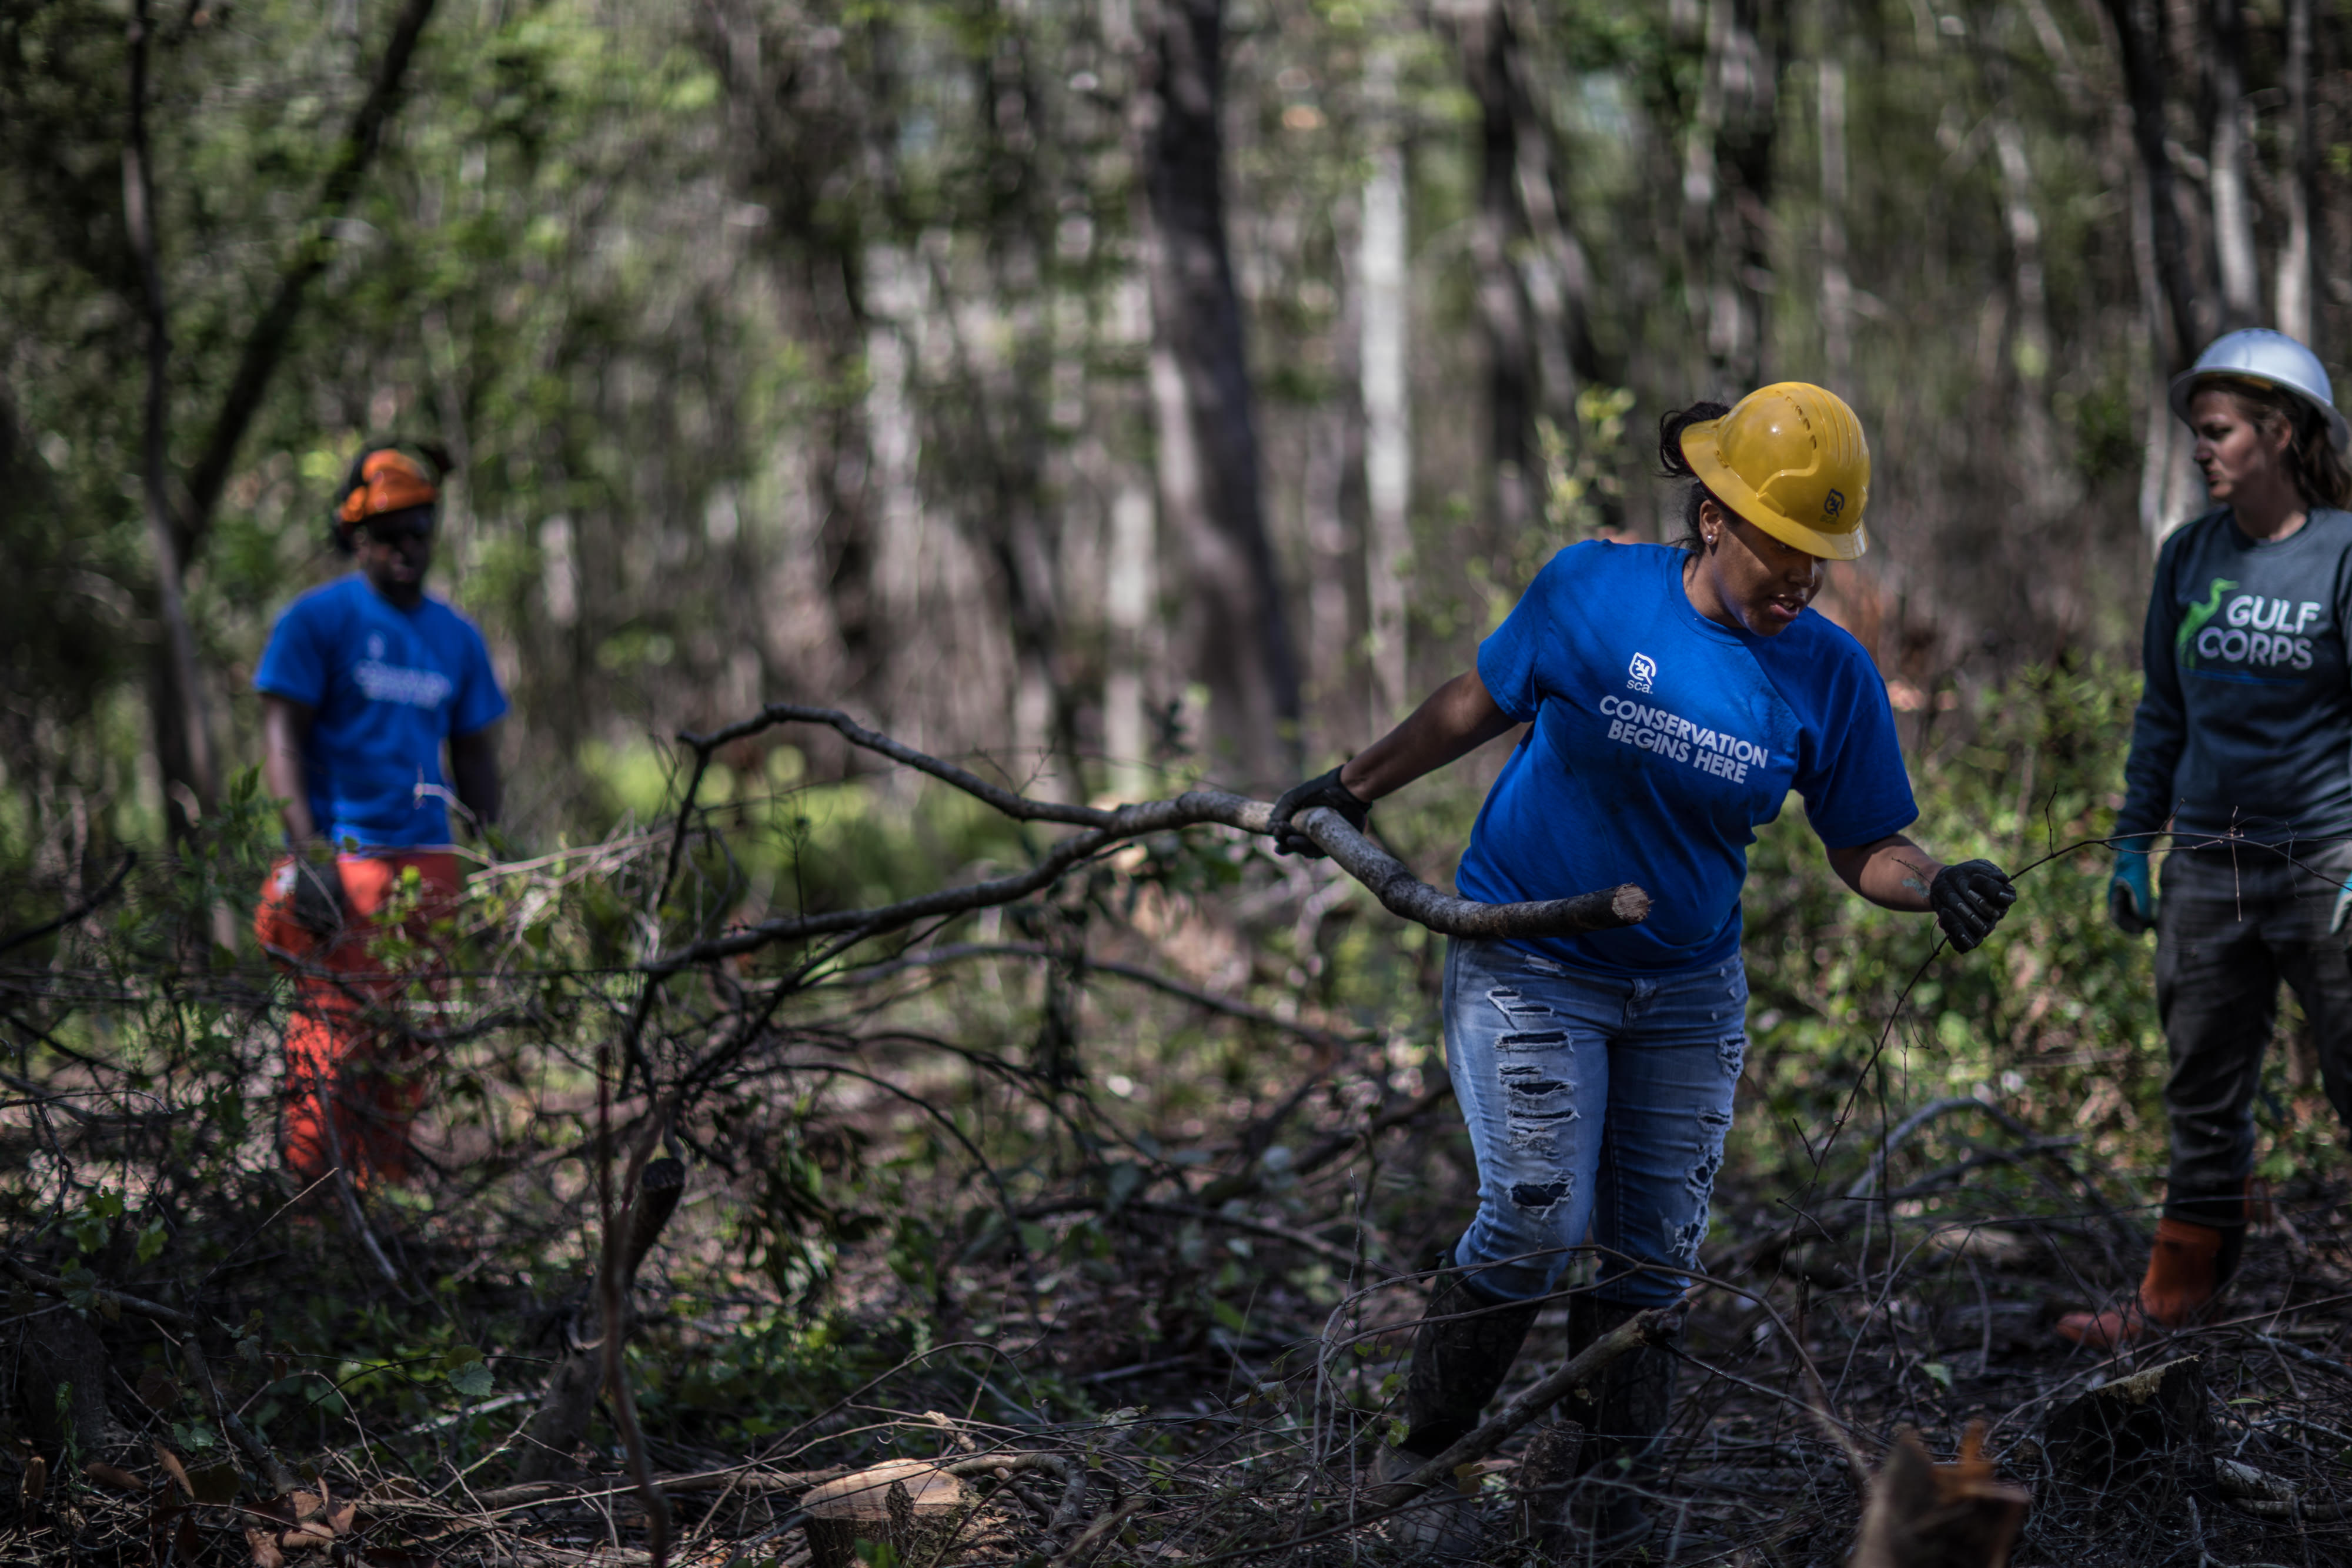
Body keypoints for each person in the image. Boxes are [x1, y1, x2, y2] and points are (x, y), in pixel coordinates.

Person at [1268, 383, 2016, 1558]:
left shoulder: (1828, 673)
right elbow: (1477, 698)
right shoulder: (1591, 590)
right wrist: (1351, 785)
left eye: (1820, 556)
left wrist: (1934, 880)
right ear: (1713, 515)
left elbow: (1861, 840)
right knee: (1530, 1215)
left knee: (1651, 1261)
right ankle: (1423, 1461)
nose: (1802, 579)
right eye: (1782, 545)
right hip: (1529, 955)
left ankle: (1609, 1510)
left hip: (1683, 993)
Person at [2060, 330, 2352, 1350]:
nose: (2202, 450)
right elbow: (2162, 713)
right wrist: (2136, 841)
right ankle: (2179, 1300)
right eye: (2198, 433)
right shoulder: (2190, 555)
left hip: (2326, 863)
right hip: (2207, 874)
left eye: (2219, 431)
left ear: (2279, 432)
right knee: (2201, 1088)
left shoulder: (2344, 552)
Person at [251, 444, 508, 1188]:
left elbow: (478, 757)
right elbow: (282, 738)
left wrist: (491, 865)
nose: (405, 545)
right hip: (343, 867)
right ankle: (309, 1219)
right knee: (328, 1053)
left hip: (428, 869)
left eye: (418, 529)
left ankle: (388, 1212)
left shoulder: (457, 638)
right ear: (357, 535)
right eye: (389, 530)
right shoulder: (316, 621)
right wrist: (307, 857)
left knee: (409, 1051)